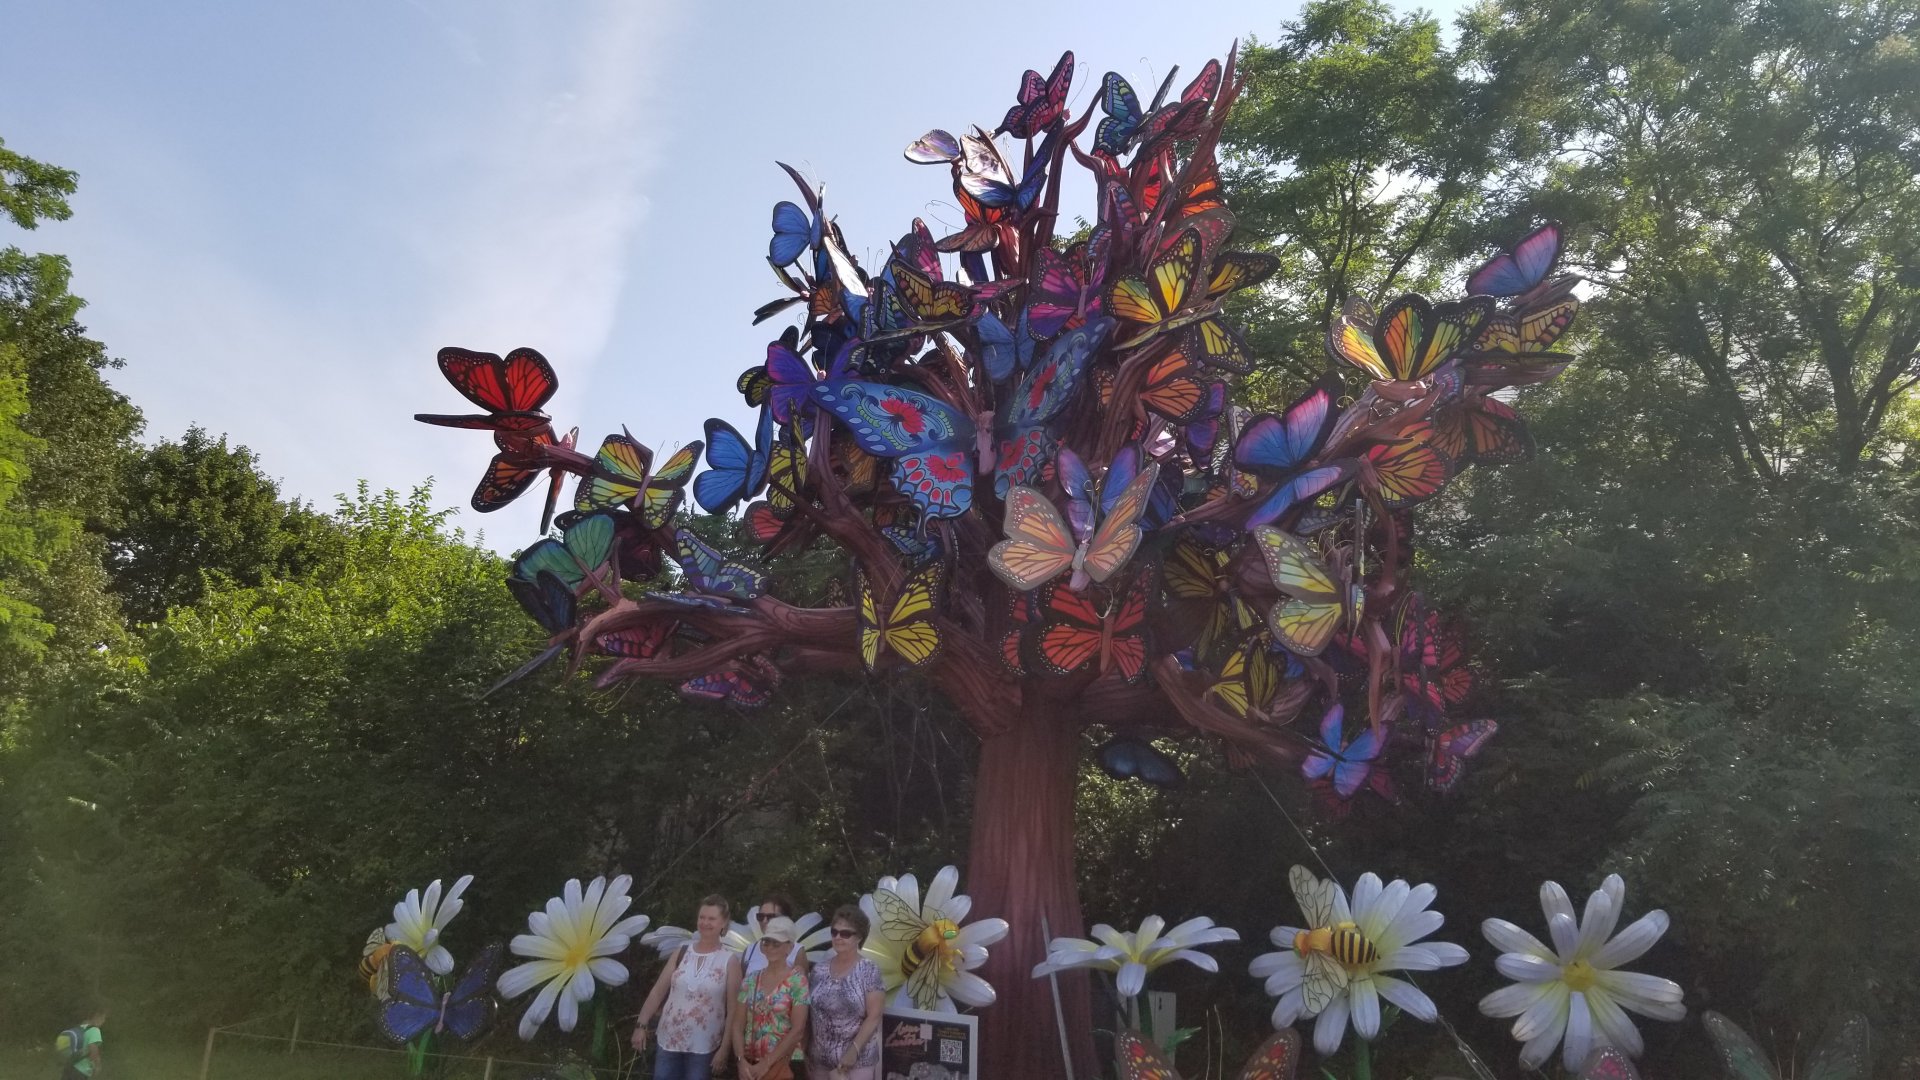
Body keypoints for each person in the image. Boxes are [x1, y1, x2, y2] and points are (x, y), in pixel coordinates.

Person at [633, 896, 742, 1080]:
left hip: (704, 1046)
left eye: (711, 918)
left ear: (723, 923)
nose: (705, 923)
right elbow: (658, 991)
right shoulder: (682, 951)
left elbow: (733, 1010)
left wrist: (724, 1049)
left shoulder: (730, 961)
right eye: (702, 917)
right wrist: (641, 1025)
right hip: (668, 1041)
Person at [806, 906, 883, 1080]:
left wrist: (853, 1051)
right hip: (818, 1063)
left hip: (856, 1064)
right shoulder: (818, 970)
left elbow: (874, 1016)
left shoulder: (869, 970)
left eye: (846, 933)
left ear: (859, 937)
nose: (838, 937)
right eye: (834, 932)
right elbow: (809, 1015)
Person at [733, 916, 809, 1080]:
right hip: (750, 1065)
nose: (770, 947)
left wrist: (766, 1064)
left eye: (776, 943)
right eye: (766, 942)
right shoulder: (750, 980)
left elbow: (798, 1030)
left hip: (783, 1065)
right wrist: (740, 1060)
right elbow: (738, 1024)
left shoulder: (797, 981)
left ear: (789, 946)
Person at [59, 1005, 106, 1080]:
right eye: (103, 1018)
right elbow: (93, 1049)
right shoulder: (94, 1030)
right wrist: (97, 1065)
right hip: (81, 1070)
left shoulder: (80, 1027)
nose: (103, 1021)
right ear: (97, 1016)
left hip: (70, 1066)